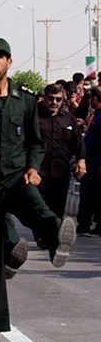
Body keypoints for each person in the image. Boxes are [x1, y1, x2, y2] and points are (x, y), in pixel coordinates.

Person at [0, 38, 77, 342]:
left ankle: (56, 238)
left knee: (36, 204)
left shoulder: (24, 100)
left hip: (15, 177)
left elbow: (36, 142)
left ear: (9, 62)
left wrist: (33, 167)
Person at [36, 83, 86, 223]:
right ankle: (43, 232)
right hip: (39, 171)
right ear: (44, 98)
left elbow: (78, 142)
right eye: (51, 98)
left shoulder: (69, 119)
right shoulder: (35, 117)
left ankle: (55, 233)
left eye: (58, 99)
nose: (54, 102)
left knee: (58, 209)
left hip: (61, 172)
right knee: (39, 209)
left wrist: (81, 160)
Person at [77, 86, 101, 236]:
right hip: (89, 161)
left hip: (97, 162)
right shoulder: (95, 115)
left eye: (91, 98)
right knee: (87, 194)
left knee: (96, 195)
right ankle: (83, 225)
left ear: (95, 99)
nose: (89, 101)